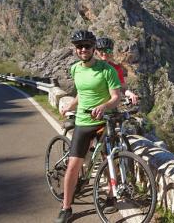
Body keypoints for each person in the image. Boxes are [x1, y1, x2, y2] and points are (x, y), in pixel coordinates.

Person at [55, 30, 121, 223]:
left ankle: (111, 196)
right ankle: (66, 207)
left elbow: (116, 97)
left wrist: (104, 106)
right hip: (83, 123)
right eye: (79, 47)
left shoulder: (106, 70)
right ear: (75, 50)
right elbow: (81, 93)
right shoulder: (75, 69)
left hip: (102, 122)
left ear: (94, 48)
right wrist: (70, 105)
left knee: (109, 161)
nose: (83, 49)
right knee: (73, 166)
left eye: (87, 46)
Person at [95, 37, 139, 104]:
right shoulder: (90, 67)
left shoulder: (116, 68)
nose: (104, 54)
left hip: (109, 105)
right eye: (101, 51)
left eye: (108, 51)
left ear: (111, 52)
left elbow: (122, 88)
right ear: (96, 52)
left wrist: (130, 94)